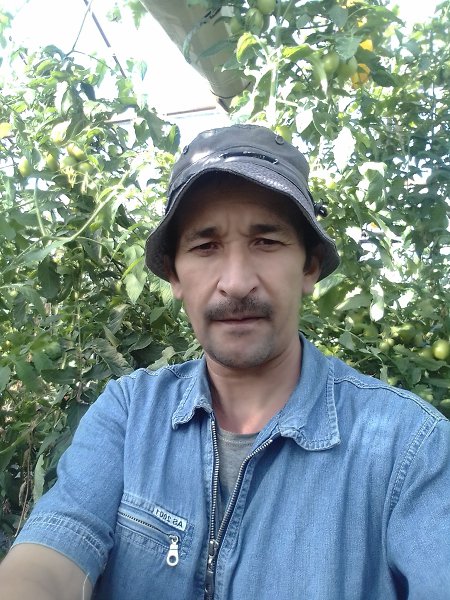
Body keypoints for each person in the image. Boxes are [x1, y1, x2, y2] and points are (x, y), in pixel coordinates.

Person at [0, 124, 449, 600]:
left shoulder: (408, 447)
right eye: (205, 246)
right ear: (174, 275)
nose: (235, 283)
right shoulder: (131, 414)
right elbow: (56, 547)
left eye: (266, 241)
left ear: (309, 266)